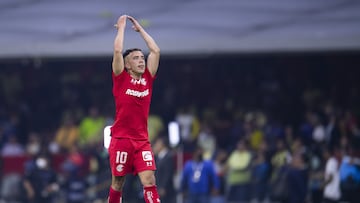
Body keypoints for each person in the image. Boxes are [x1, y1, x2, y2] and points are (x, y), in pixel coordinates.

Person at [107, 14, 161, 203]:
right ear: (127, 64)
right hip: (121, 139)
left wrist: (140, 31)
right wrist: (121, 28)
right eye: (136, 58)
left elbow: (155, 51)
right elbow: (117, 51)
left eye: (141, 57)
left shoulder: (147, 78)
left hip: (142, 141)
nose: (141, 60)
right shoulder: (121, 78)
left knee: (149, 180)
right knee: (118, 182)